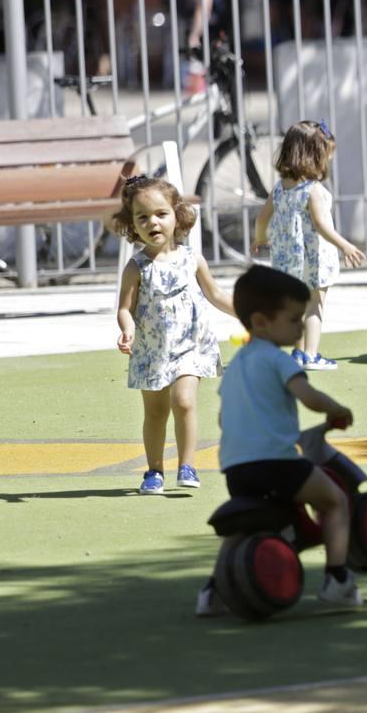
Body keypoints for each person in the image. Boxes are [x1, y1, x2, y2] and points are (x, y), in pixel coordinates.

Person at [196, 265, 362, 616]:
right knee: (334, 501)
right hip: (278, 463)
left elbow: (224, 418)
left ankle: (213, 593)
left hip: (236, 468)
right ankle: (338, 580)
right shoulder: (277, 359)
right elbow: (308, 396)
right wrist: (337, 409)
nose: (300, 327)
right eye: (294, 320)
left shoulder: (238, 366)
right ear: (261, 322)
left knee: (243, 524)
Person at [114, 175, 236, 496]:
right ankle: (154, 471)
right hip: (152, 351)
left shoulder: (192, 259)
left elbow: (216, 294)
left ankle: (187, 464)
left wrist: (248, 313)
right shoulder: (137, 267)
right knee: (155, 412)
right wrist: (127, 329)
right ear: (132, 225)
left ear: (176, 216)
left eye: (160, 214)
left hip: (189, 347)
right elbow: (125, 308)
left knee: (184, 401)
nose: (152, 222)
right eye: (142, 217)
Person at [253, 120, 365, 371]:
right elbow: (322, 225)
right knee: (315, 305)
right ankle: (311, 355)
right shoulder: (313, 190)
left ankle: (298, 352)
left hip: (287, 262)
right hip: (313, 259)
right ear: (315, 156)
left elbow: (262, 218)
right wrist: (345, 245)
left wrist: (260, 239)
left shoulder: (280, 189)